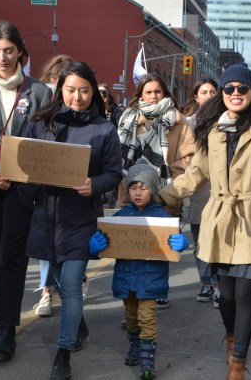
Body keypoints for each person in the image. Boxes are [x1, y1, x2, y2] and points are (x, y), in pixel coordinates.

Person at [159, 63, 251, 378]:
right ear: (223, 93)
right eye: (229, 88)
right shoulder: (212, 131)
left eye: (243, 88)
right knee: (226, 295)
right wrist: (163, 196)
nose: (236, 93)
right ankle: (231, 338)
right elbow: (196, 174)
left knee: (244, 294)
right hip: (220, 221)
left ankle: (238, 363)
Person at [8, 61, 122, 379]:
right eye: (71, 89)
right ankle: (79, 325)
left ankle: (63, 353)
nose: (77, 96)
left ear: (92, 92)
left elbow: (113, 172)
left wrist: (94, 185)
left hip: (81, 220)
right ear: (60, 90)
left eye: (84, 90)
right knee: (58, 282)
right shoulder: (40, 123)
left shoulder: (104, 129)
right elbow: (23, 163)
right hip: (46, 218)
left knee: (71, 285)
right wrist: (13, 180)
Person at [0, 20, 52, 360]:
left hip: (22, 189)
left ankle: (6, 330)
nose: (2, 57)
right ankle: (5, 316)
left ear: (20, 52)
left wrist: (15, 174)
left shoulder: (39, 92)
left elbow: (43, 144)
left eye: (9, 51)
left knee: (13, 259)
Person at [88, 159, 189, 380]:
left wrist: (182, 243)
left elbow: (174, 241)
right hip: (126, 277)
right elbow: (104, 244)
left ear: (152, 189)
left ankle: (147, 359)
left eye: (143, 187)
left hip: (151, 279)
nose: (138, 192)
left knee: (147, 317)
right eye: (133, 187)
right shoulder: (120, 217)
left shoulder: (162, 217)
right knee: (131, 317)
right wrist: (95, 246)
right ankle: (135, 346)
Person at [118, 74, 195, 309]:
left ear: (165, 94)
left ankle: (157, 290)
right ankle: (132, 296)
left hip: (164, 193)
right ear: (140, 94)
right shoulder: (128, 118)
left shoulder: (179, 121)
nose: (153, 96)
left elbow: (188, 158)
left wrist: (165, 176)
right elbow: (118, 154)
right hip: (131, 192)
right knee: (133, 247)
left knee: (160, 247)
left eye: (157, 92)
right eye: (148, 92)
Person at [33, 54, 74, 318]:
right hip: (45, 191)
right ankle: (46, 292)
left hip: (73, 194)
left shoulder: (83, 112)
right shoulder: (40, 114)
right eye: (57, 81)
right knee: (46, 245)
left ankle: (70, 288)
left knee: (69, 245)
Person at [181, 78, 221, 306]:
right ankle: (206, 282)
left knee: (218, 240)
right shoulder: (187, 124)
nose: (208, 95)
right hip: (198, 189)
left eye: (212, 91)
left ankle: (218, 284)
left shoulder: (228, 120)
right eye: (203, 91)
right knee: (200, 242)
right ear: (196, 97)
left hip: (221, 190)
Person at [99, 83, 123, 209]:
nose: (100, 96)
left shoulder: (115, 112)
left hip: (111, 146)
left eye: (103, 93)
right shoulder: (93, 110)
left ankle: (110, 195)